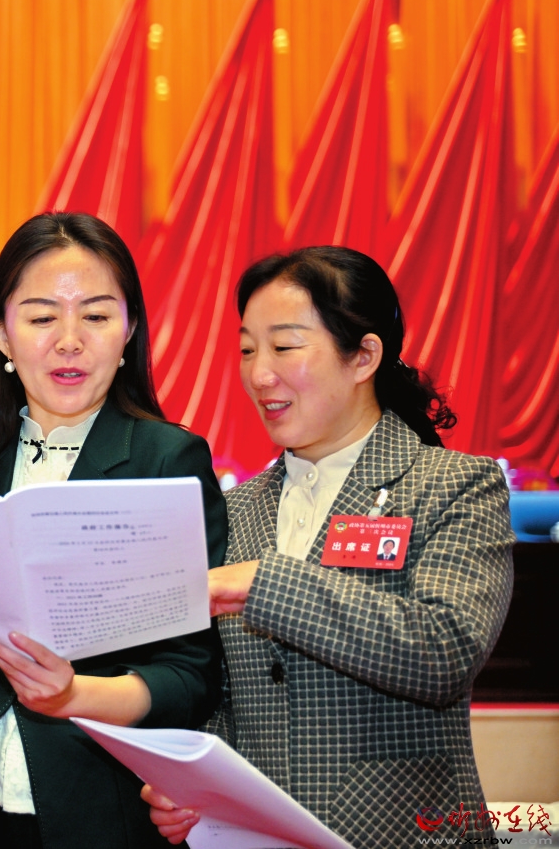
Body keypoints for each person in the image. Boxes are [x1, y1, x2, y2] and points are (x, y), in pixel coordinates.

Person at [143, 246, 514, 848]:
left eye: (285, 346)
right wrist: (190, 783)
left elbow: (444, 649)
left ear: (364, 356)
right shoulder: (235, 510)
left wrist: (263, 584)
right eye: (247, 350)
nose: (260, 374)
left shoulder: (453, 485)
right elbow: (223, 693)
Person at [0, 212, 228, 848]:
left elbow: (190, 675)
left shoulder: (167, 460)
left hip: (103, 809)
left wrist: (74, 693)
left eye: (96, 316)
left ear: (130, 329)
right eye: (42, 317)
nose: (69, 341)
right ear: (1, 332)